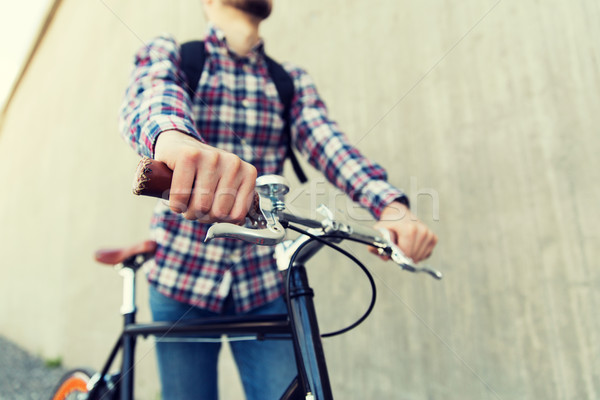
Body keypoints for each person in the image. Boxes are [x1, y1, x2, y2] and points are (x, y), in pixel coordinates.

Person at [119, 0, 438, 399]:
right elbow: (152, 94)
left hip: (263, 282)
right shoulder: (175, 55)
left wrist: (391, 207)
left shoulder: (289, 81)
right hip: (180, 277)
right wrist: (174, 138)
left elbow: (332, 146)